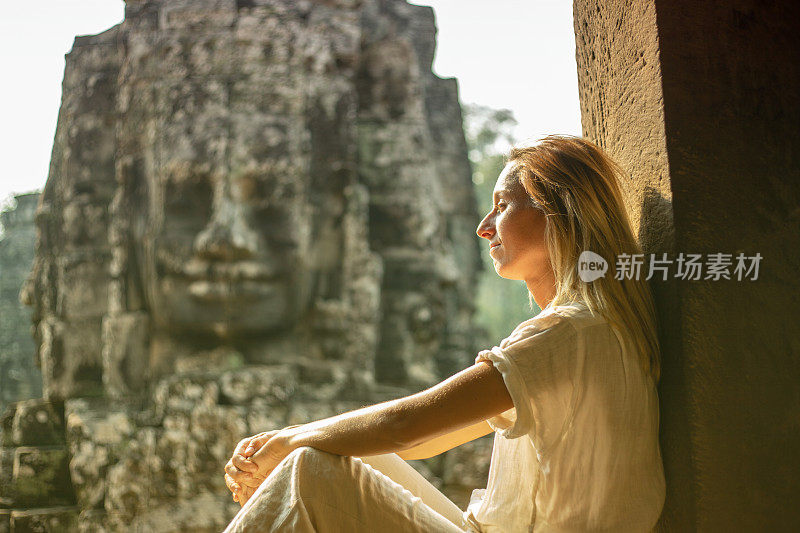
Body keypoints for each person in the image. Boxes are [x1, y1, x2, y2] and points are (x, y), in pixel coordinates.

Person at [222, 134, 666, 532]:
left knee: (308, 472)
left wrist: (287, 441)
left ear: (558, 212)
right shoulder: (595, 328)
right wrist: (301, 434)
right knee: (341, 450)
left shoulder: (569, 333)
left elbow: (406, 427)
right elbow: (429, 439)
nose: (483, 226)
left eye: (504, 204)